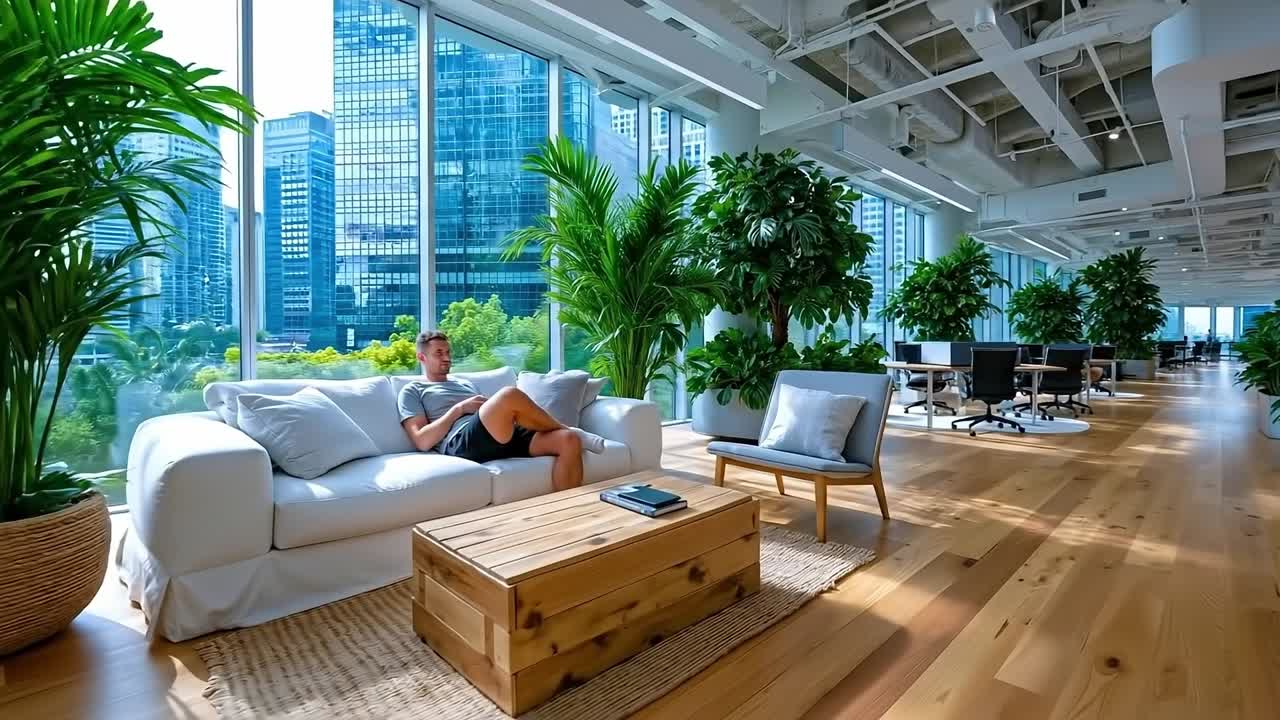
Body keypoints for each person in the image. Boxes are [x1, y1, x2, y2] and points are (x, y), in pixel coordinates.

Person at [397, 331, 604, 491]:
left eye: (448, 352)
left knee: (568, 440)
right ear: (421, 357)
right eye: (439, 353)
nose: (447, 357)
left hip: (495, 434)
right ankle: (572, 429)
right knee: (508, 395)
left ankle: (569, 514)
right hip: (462, 441)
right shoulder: (413, 389)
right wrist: (460, 409)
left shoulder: (465, 383)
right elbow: (422, 441)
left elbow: (486, 413)